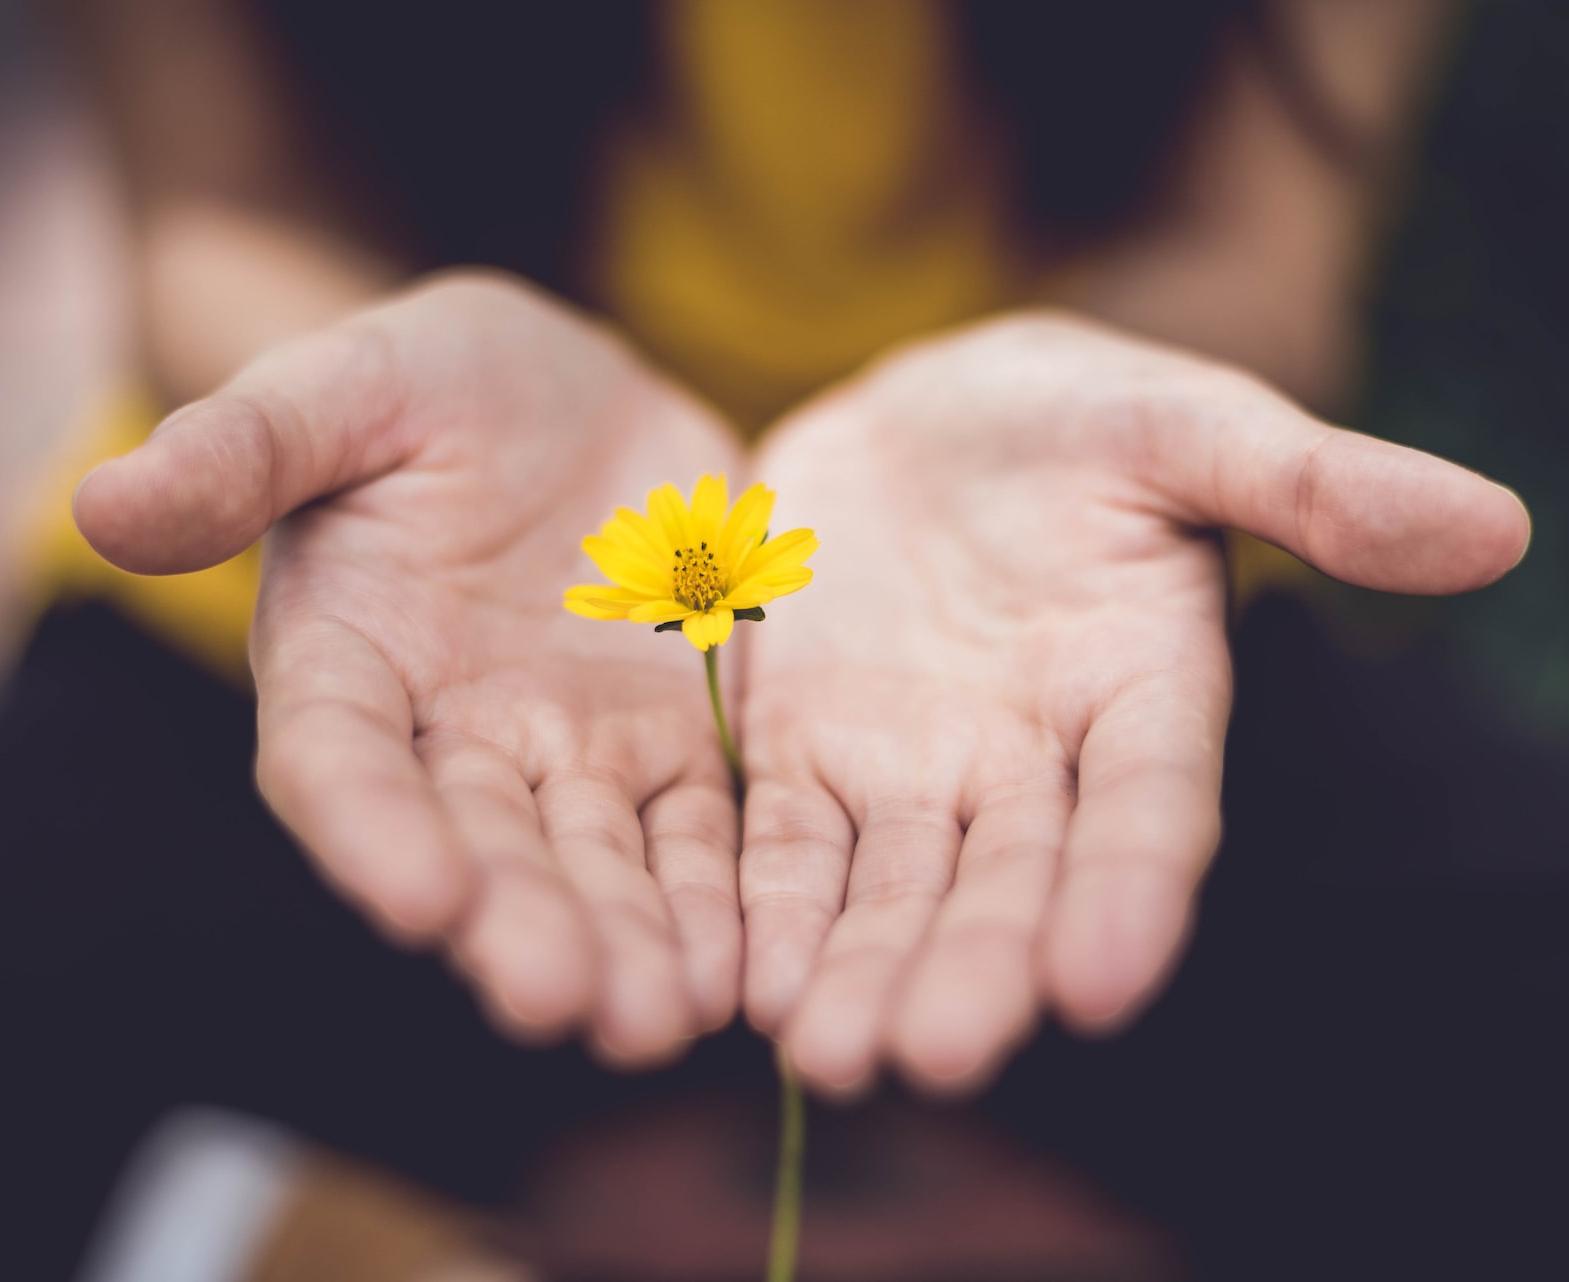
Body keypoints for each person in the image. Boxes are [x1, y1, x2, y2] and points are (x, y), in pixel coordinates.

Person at [12, 2, 1564, 1274]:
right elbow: (217, 209)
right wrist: (346, 387)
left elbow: (1256, 244)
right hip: (411, 598)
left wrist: (1092, 383)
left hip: (1039, 612)